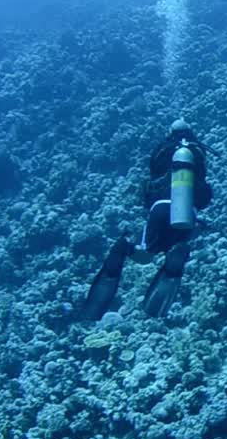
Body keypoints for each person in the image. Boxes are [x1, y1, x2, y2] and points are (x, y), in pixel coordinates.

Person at [82, 119, 214, 320]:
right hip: (188, 211)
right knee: (180, 245)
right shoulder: (198, 152)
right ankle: (175, 256)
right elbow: (204, 192)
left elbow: (149, 184)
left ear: (170, 133)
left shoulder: (162, 149)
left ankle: (123, 249)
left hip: (158, 208)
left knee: (145, 255)